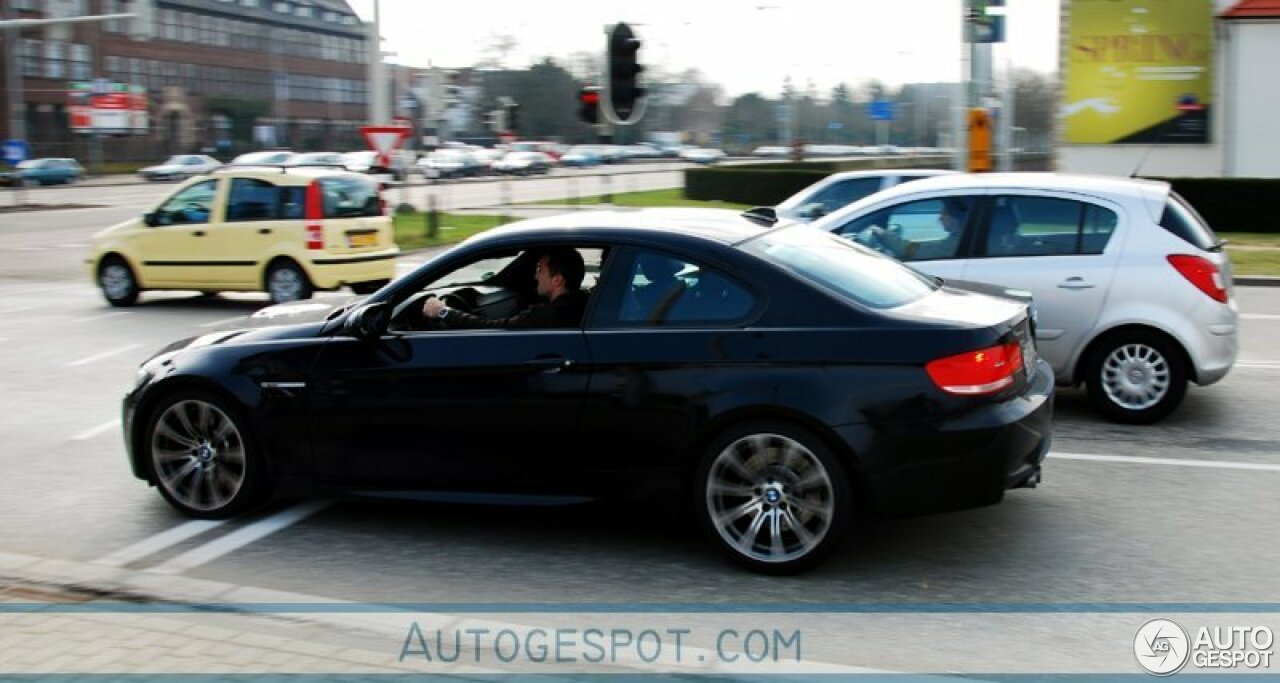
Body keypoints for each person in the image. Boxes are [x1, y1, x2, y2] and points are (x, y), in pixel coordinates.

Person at [422, 247, 588, 329]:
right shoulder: (583, 302)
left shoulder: (548, 315)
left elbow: (490, 329)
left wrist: (443, 312)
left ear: (557, 279)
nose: (535, 276)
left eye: (540, 270)